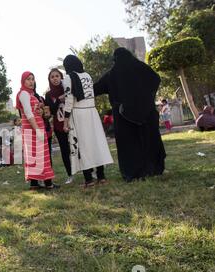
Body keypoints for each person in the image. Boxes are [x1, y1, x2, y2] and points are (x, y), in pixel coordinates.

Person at [94, 47, 166, 182]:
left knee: (129, 145)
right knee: (149, 140)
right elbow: (156, 79)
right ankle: (155, 168)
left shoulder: (112, 74)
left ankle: (133, 173)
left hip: (123, 116)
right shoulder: (142, 68)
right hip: (146, 113)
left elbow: (95, 89)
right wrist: (147, 98)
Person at [61, 55, 114, 188]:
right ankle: (101, 176)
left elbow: (69, 100)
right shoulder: (87, 75)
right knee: (95, 143)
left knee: (83, 146)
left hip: (79, 113)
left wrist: (65, 121)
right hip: (92, 112)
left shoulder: (68, 78)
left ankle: (89, 180)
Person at [16, 71, 58, 190]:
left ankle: (34, 184)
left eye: (33, 79)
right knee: (42, 156)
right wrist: (38, 130)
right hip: (33, 130)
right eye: (28, 79)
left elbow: (33, 112)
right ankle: (48, 184)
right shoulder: (24, 93)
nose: (31, 82)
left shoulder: (31, 94)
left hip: (34, 129)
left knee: (35, 156)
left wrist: (40, 111)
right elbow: (29, 115)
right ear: (23, 81)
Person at [45, 68, 74, 184]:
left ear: (61, 77)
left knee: (78, 146)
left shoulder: (67, 88)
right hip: (58, 125)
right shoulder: (48, 94)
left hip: (72, 121)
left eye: (57, 76)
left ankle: (88, 169)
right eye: (52, 77)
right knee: (64, 150)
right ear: (49, 80)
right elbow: (51, 111)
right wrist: (58, 100)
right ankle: (70, 174)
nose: (55, 78)